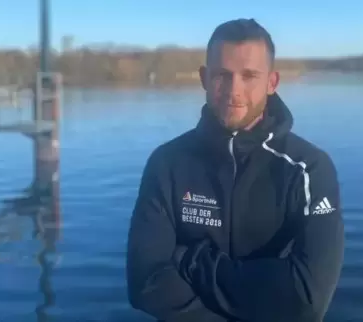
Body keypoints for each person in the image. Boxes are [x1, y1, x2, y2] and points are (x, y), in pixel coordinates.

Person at [126, 18, 344, 322]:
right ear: (204, 77)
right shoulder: (167, 164)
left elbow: (307, 299)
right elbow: (146, 282)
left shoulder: (308, 169)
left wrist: (190, 261)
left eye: (249, 76)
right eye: (222, 75)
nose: (233, 90)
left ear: (272, 82)